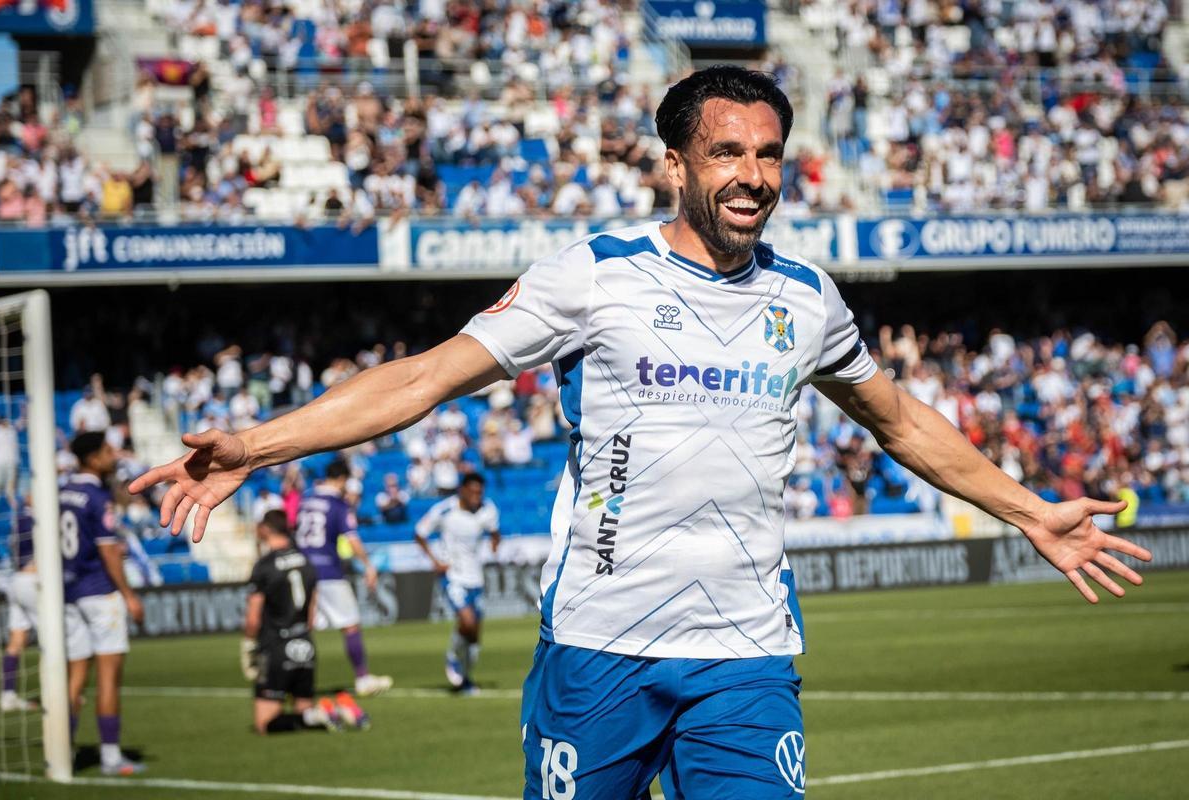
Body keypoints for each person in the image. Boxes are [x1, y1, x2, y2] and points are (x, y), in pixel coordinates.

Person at [130, 66, 1152, 799]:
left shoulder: (808, 298)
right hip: (601, 648)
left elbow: (901, 422)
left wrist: (1029, 511)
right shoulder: (596, 276)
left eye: (768, 155)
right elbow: (426, 377)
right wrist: (254, 446)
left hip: (747, 655)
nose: (752, 175)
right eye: (727, 152)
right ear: (676, 165)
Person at [63, 432, 145, 776]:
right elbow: (109, 551)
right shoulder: (97, 496)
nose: (114, 456)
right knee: (109, 676)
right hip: (99, 591)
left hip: (69, 593)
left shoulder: (61, 493)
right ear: (93, 458)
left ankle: (62, 750)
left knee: (74, 678)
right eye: (108, 451)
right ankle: (110, 757)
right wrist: (129, 595)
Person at [243, 509, 368, 733]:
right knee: (304, 712)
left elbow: (253, 619)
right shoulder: (306, 562)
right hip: (305, 644)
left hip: (276, 646)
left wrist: (249, 646)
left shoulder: (264, 566)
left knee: (264, 723)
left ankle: (325, 712)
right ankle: (336, 710)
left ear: (266, 529)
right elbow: (311, 615)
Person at [294, 459, 392, 695]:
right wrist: (368, 565)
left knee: (302, 627)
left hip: (302, 570)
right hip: (328, 571)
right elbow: (352, 538)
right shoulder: (337, 504)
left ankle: (293, 682)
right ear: (341, 479)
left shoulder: (306, 500)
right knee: (350, 624)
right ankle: (363, 679)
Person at [414, 472, 500, 693]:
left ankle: (465, 679)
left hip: (476, 577)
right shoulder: (444, 510)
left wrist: (494, 544)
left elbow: (495, 532)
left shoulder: (488, 509)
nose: (476, 497)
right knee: (467, 621)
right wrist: (435, 561)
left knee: (474, 634)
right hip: (453, 576)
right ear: (462, 490)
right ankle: (453, 655)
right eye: (472, 492)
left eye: (480, 493)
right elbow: (420, 533)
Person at [0, 500, 37, 712]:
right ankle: (60, 692)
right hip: (33, 579)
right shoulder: (36, 517)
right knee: (55, 636)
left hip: (16, 580)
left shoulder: (19, 518)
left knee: (17, 639)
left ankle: (8, 695)